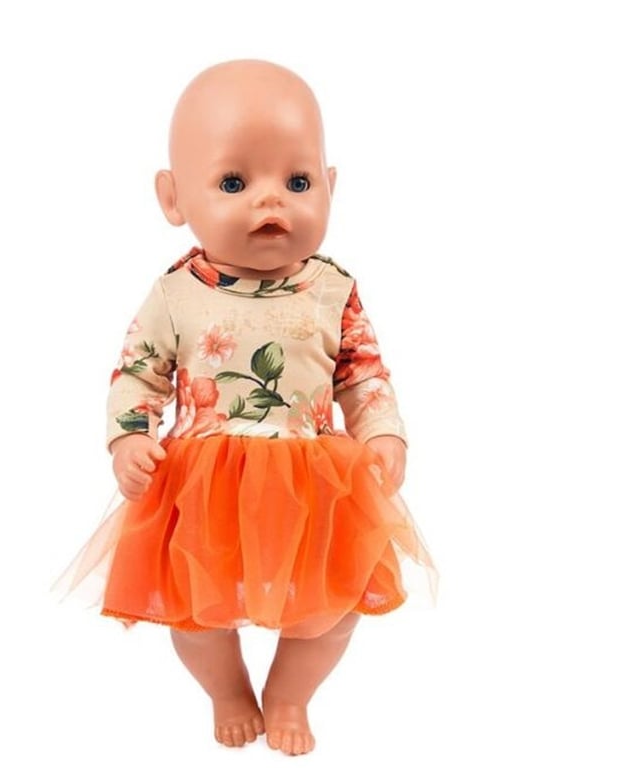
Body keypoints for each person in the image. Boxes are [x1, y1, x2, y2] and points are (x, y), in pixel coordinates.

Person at [57, 59, 434, 756]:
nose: (271, 202)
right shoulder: (176, 294)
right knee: (195, 612)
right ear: (174, 199)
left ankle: (289, 694)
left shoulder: (333, 290)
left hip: (316, 484)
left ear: (330, 186)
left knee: (331, 609)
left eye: (298, 181)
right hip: (203, 485)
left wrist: (383, 433)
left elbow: (362, 373)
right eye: (234, 183)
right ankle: (227, 690)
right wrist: (129, 438)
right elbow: (138, 372)